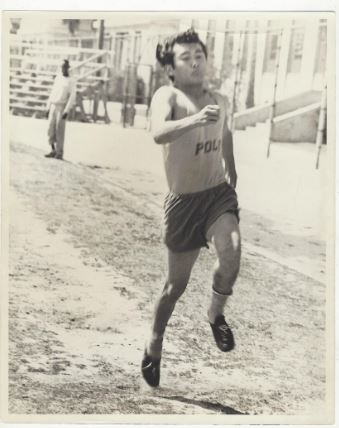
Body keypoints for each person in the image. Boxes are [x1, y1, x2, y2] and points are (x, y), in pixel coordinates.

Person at [141, 29, 241, 388]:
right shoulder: (167, 95)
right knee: (174, 286)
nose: (196, 61)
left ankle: (216, 314)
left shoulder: (221, 99)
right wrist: (195, 120)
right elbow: (157, 132)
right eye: (186, 57)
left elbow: (225, 130)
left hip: (216, 194)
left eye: (199, 53)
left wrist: (231, 163)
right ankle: (154, 342)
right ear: (171, 67)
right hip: (182, 202)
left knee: (231, 252)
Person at [45, 59, 76, 160]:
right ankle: (52, 149)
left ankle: (59, 152)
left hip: (62, 106)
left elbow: (72, 96)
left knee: (60, 129)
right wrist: (48, 107)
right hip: (54, 104)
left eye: (65, 67)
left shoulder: (71, 80)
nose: (63, 69)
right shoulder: (58, 78)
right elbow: (52, 92)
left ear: (68, 68)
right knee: (50, 128)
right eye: (62, 67)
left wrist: (67, 110)